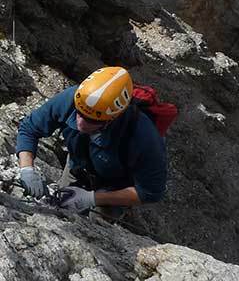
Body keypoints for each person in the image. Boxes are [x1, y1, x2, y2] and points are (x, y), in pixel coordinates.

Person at [16, 66, 167, 217]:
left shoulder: (143, 136)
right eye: (79, 114)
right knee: (58, 207)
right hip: (78, 163)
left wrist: (92, 198)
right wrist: (27, 169)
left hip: (113, 186)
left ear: (112, 118)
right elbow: (30, 128)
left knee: (97, 223)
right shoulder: (73, 99)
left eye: (92, 120)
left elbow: (150, 192)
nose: (81, 123)